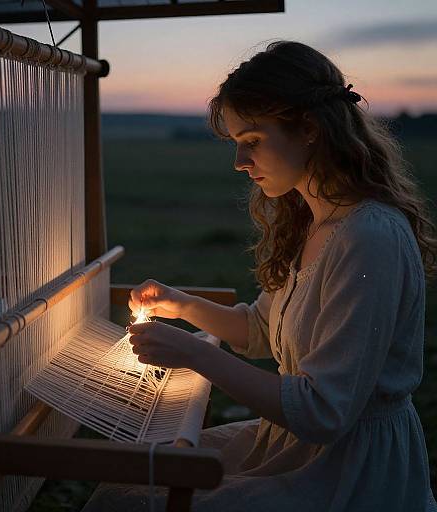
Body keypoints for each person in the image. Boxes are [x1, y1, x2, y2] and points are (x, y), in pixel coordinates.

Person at [86, 41, 437, 511]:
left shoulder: (368, 238)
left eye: (251, 141)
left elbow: (322, 411)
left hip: (347, 469)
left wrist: (192, 353)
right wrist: (180, 304)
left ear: (308, 128)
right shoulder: (315, 224)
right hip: (295, 445)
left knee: (136, 504)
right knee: (125, 482)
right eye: (236, 145)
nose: (239, 163)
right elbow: (258, 330)